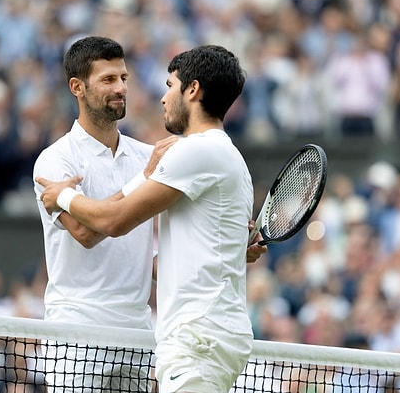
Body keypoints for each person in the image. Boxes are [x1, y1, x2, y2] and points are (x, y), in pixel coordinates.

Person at [37, 44, 260, 392]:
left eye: (124, 78)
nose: (121, 87)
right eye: (109, 79)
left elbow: (117, 227)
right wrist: (223, 248)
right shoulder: (54, 160)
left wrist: (62, 196)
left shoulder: (156, 156)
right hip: (78, 333)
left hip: (148, 335)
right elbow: (86, 232)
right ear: (77, 87)